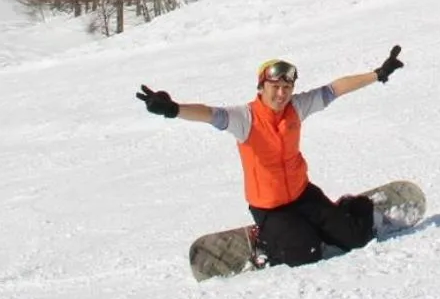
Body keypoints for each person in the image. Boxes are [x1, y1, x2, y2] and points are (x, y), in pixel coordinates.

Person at [136, 45, 404, 266]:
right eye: (275, 87)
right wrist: (173, 109)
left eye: (286, 88)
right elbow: (208, 114)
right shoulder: (245, 118)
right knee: (305, 253)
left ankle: (343, 211)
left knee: (356, 239)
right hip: (269, 207)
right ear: (261, 87)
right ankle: (263, 240)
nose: (281, 93)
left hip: (303, 194)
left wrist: (377, 74)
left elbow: (335, 89)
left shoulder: (297, 107)